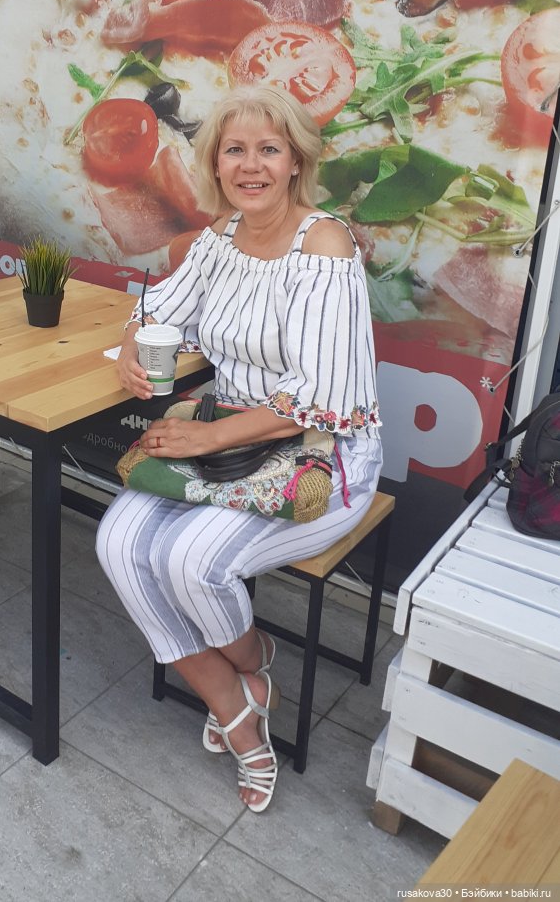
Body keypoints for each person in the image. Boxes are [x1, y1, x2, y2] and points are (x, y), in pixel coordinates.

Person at [96, 84, 382, 813]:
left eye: (268, 149)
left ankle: (254, 669)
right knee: (118, 542)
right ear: (216, 163)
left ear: (296, 162)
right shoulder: (221, 235)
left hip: (323, 453)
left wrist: (208, 433)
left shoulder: (325, 243)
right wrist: (131, 346)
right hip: (228, 440)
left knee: (191, 561)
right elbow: (156, 308)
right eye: (234, 150)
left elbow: (320, 399)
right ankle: (238, 695)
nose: (250, 165)